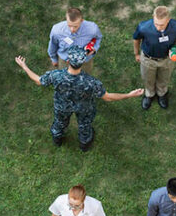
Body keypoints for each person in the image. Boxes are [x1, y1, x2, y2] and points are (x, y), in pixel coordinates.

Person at [15, 46, 143, 151]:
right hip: (84, 108)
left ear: (68, 61)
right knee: (85, 125)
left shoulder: (56, 76)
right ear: (83, 62)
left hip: (62, 106)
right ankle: (84, 144)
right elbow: (108, 97)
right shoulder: (91, 82)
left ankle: (57, 139)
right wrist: (129, 94)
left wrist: (24, 66)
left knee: (59, 123)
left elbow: (39, 81)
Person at [132, 6, 176, 110]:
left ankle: (162, 93)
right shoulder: (143, 27)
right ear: (153, 17)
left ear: (168, 20)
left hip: (166, 59)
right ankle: (149, 94)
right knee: (148, 79)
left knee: (164, 78)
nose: (158, 28)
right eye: (156, 24)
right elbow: (136, 39)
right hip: (148, 59)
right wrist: (137, 54)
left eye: (162, 25)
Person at [47, 7, 102, 74]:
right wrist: (54, 59)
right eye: (69, 25)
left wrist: (94, 49)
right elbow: (53, 45)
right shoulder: (57, 30)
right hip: (65, 62)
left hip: (84, 62)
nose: (72, 29)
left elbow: (98, 38)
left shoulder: (92, 29)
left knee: (85, 78)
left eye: (75, 26)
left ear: (81, 21)